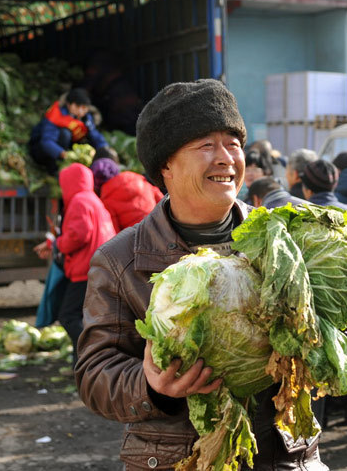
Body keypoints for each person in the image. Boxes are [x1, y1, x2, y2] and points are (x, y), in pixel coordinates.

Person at [75, 79, 330, 470]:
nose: (226, 158)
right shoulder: (120, 260)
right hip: (181, 460)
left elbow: (338, 333)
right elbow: (94, 374)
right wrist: (151, 386)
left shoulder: (284, 238)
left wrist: (325, 312)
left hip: (283, 457)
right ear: (165, 166)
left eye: (234, 143)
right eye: (206, 145)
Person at [42, 163, 115, 363]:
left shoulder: (78, 201)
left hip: (85, 268)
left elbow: (78, 234)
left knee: (68, 316)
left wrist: (59, 244)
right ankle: (82, 362)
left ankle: (92, 353)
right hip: (99, 266)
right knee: (86, 316)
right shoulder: (93, 199)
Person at [28, 87, 110, 175]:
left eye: (85, 108)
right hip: (42, 148)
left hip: (69, 146)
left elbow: (94, 134)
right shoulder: (56, 115)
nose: (82, 111)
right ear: (71, 105)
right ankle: (54, 168)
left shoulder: (85, 117)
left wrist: (104, 148)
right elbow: (46, 142)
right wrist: (64, 154)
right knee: (65, 134)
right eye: (80, 107)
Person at [91, 158, 164, 232]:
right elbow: (161, 200)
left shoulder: (106, 200)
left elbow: (115, 232)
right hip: (161, 227)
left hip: (139, 236)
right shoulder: (138, 179)